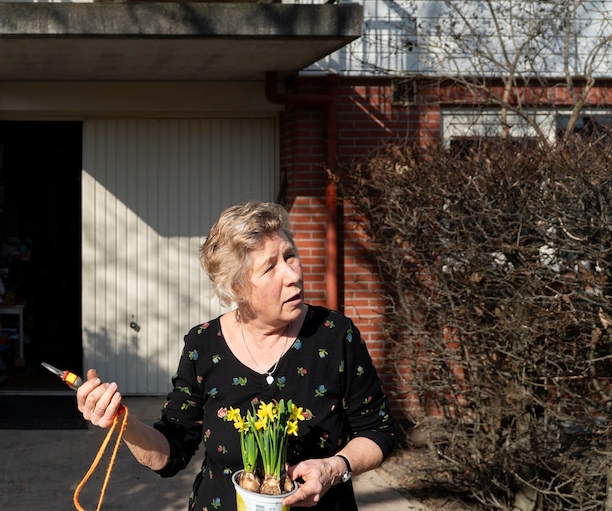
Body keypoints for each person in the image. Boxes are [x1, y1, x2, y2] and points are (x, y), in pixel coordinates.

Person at [76, 201, 396, 510]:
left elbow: (378, 430)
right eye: (270, 267)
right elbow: (170, 451)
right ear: (236, 288)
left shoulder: (334, 335)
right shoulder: (203, 345)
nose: (292, 274)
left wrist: (335, 467)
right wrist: (123, 421)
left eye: (290, 256)